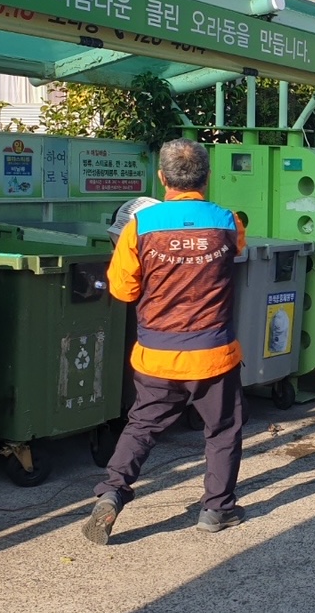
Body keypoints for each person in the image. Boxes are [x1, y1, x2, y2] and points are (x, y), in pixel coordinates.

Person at [82, 138, 248, 546]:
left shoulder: (140, 226)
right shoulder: (228, 222)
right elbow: (238, 252)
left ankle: (111, 494)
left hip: (157, 353)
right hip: (214, 354)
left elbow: (122, 289)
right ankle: (216, 509)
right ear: (206, 178)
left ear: (162, 178)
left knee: (141, 426)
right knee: (223, 430)